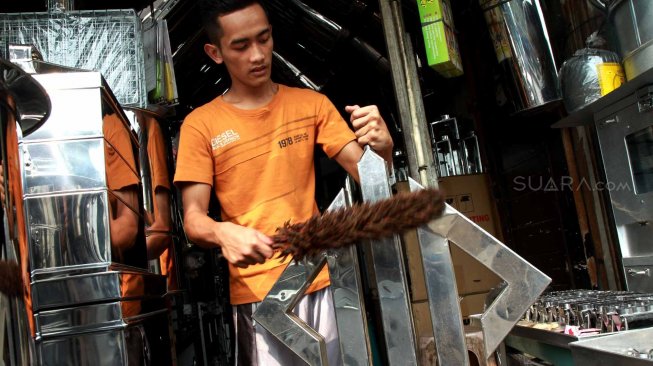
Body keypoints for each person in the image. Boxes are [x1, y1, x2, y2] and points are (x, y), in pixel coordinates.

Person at [173, 0, 394, 364]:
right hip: (256, 292)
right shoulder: (201, 124)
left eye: (264, 39)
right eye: (241, 46)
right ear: (215, 52)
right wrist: (223, 232)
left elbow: (372, 180)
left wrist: (384, 151)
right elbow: (193, 220)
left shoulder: (312, 105)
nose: (258, 55)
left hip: (320, 281)